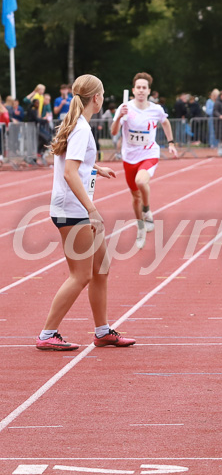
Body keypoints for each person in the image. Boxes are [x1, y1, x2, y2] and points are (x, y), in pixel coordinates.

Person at [37, 74, 135, 351]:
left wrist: (95, 169)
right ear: (96, 98)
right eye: (103, 94)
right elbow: (69, 172)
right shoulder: (81, 129)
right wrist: (92, 209)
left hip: (75, 207)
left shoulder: (77, 125)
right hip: (73, 210)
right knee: (81, 275)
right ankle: (47, 333)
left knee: (101, 268)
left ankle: (103, 331)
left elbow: (74, 165)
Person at [111, 72, 178, 249]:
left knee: (141, 181)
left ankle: (147, 210)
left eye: (144, 88)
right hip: (129, 157)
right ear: (133, 90)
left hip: (149, 153)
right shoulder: (125, 107)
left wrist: (171, 142)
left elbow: (165, 122)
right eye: (138, 87)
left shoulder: (156, 109)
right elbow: (113, 132)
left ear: (149, 91)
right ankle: (140, 227)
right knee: (134, 198)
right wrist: (119, 117)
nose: (141, 90)